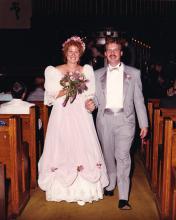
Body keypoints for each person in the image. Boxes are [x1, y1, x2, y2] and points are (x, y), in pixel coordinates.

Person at [38, 36, 108, 206]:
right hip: (62, 114)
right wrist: (70, 85)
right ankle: (61, 189)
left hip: (81, 115)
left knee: (82, 146)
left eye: (77, 52)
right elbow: (52, 95)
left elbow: (89, 95)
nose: (73, 54)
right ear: (65, 53)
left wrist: (89, 103)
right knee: (62, 146)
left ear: (81, 54)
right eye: (70, 51)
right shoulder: (53, 71)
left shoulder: (87, 70)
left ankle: (84, 190)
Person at [85, 37, 148, 210]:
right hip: (104, 121)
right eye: (109, 50)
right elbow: (95, 100)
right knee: (107, 155)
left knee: (123, 156)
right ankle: (111, 182)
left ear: (121, 53)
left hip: (125, 121)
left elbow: (139, 100)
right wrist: (91, 105)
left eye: (116, 50)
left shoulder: (134, 73)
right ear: (105, 54)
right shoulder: (97, 75)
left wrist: (144, 123)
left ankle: (123, 197)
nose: (112, 53)